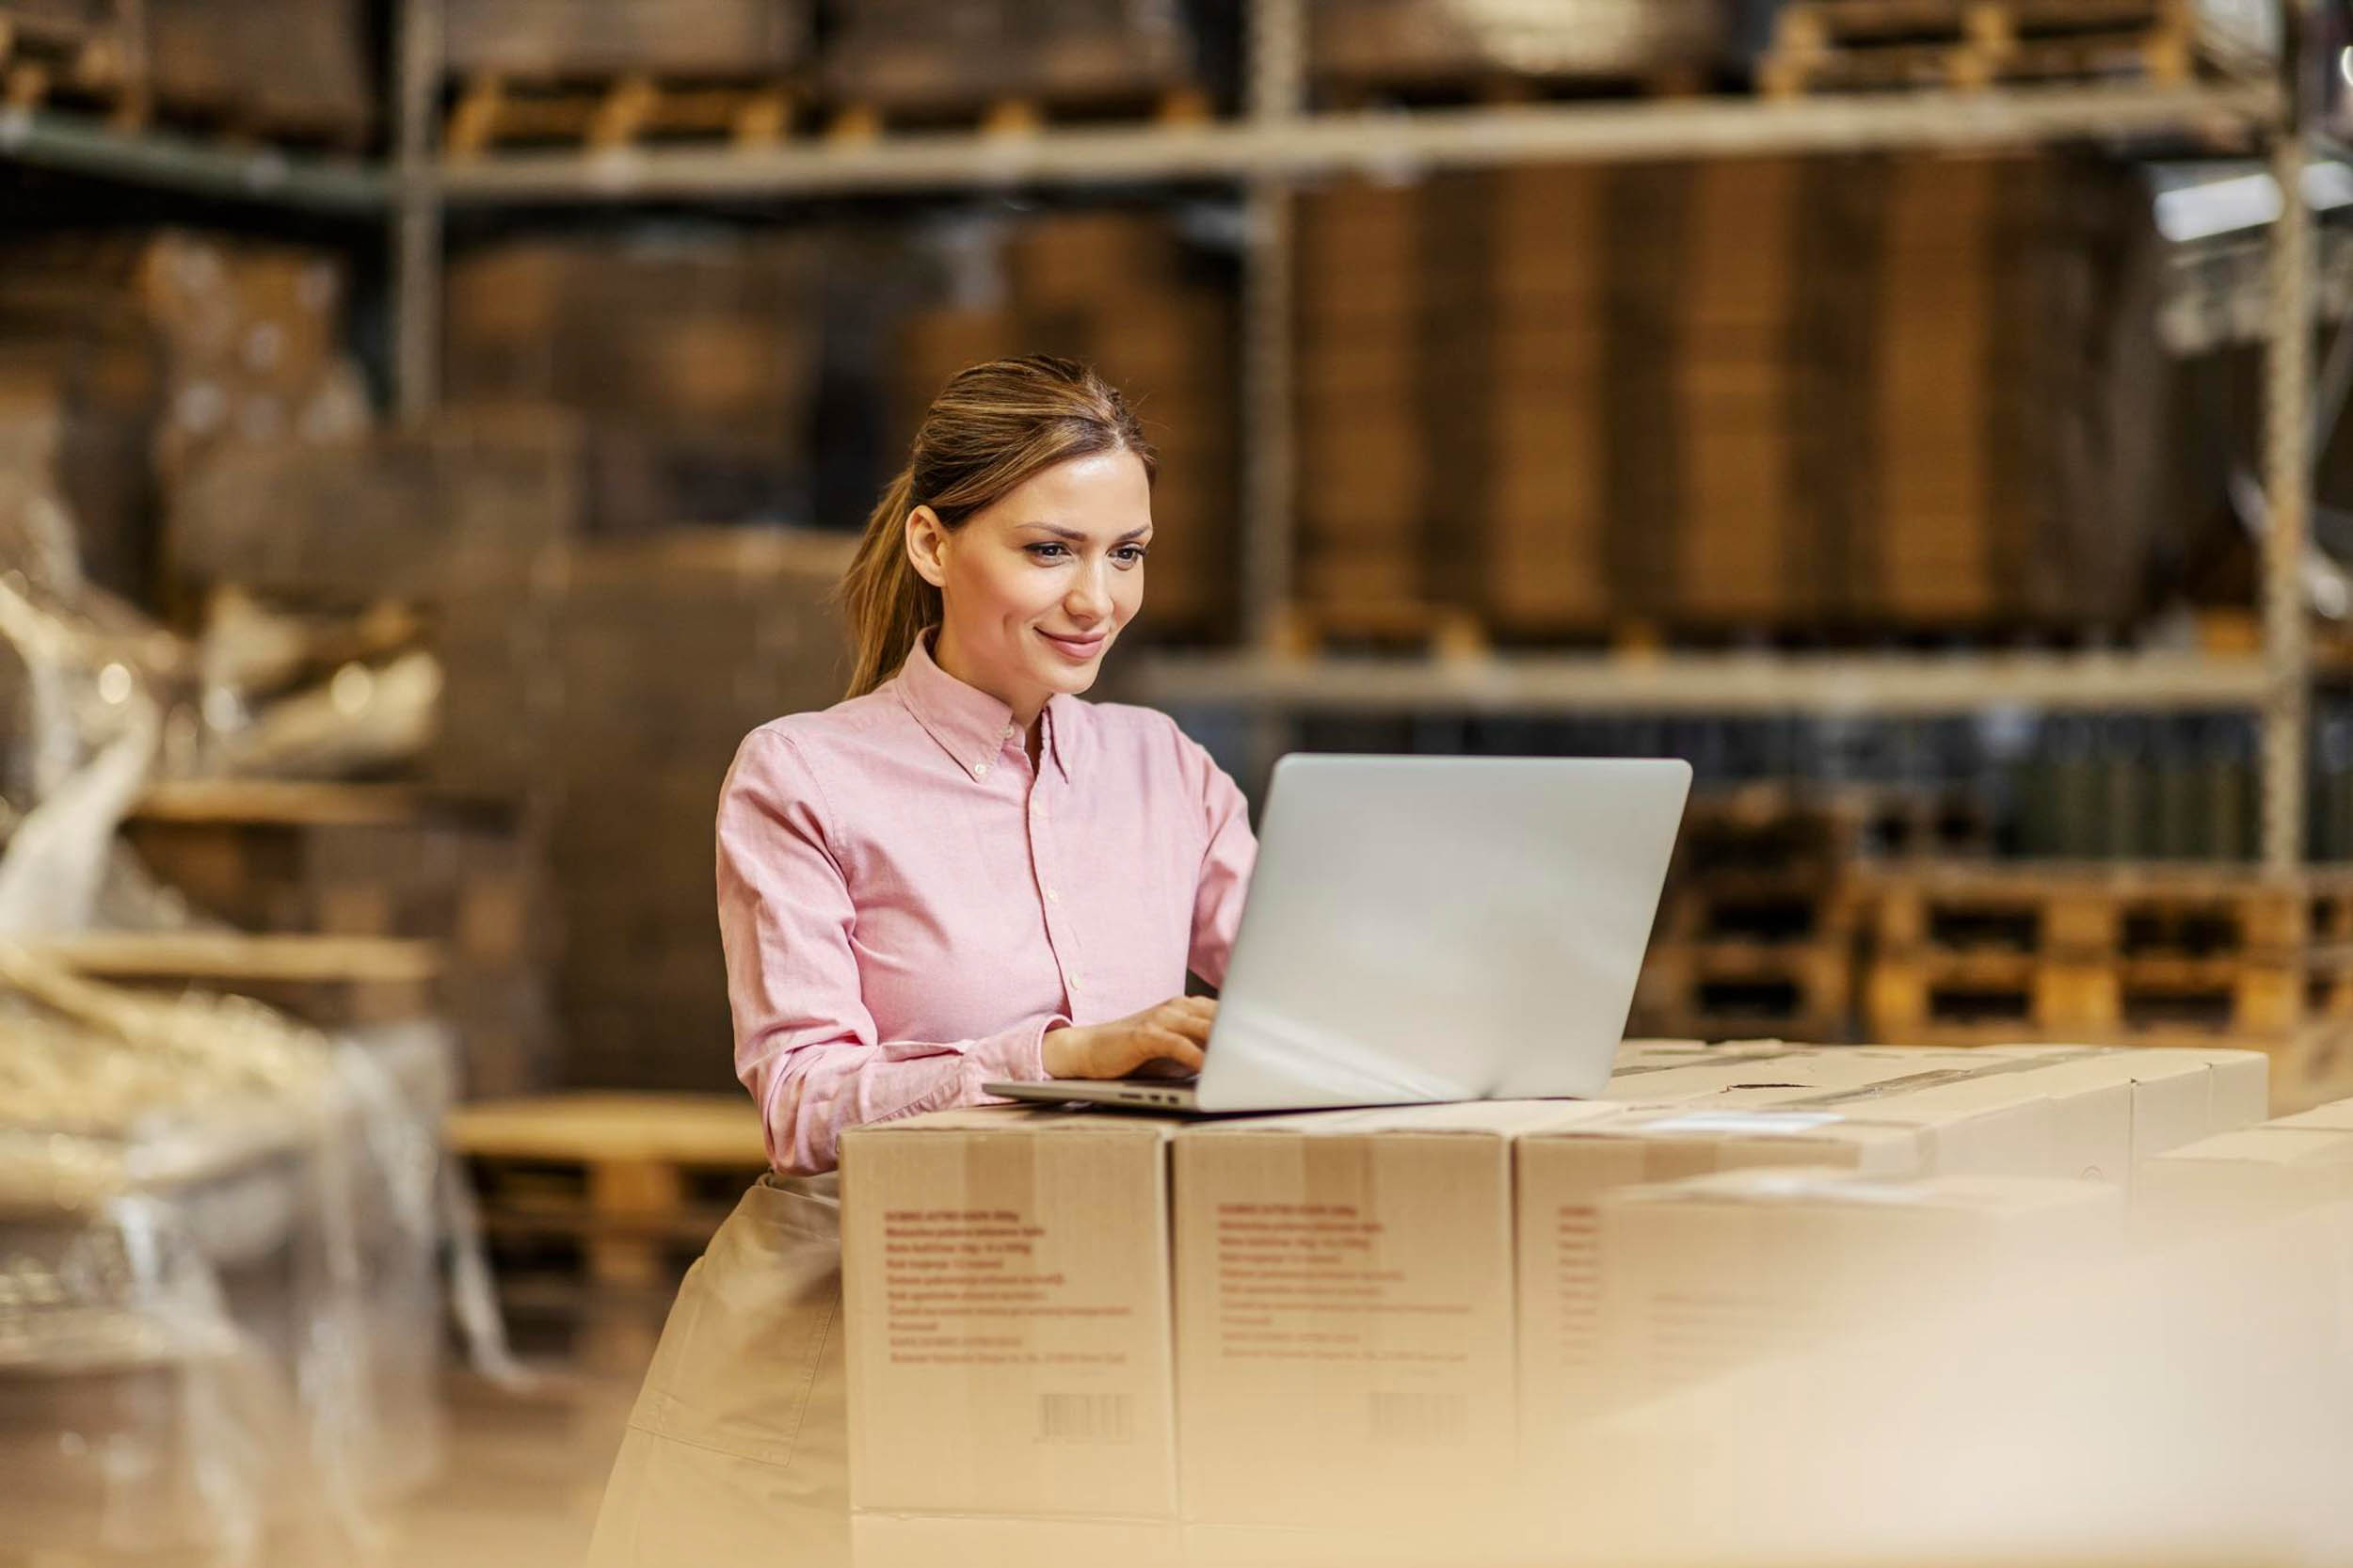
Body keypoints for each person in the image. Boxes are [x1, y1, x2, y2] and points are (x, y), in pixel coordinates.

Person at [584, 355, 1257, 1566]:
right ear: (935, 548)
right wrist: (1055, 1058)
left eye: (1128, 552)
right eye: (1050, 550)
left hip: (1097, 1324)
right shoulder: (802, 776)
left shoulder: (1167, 770)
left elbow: (1296, 988)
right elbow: (800, 1104)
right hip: (846, 1345)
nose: (1097, 599)